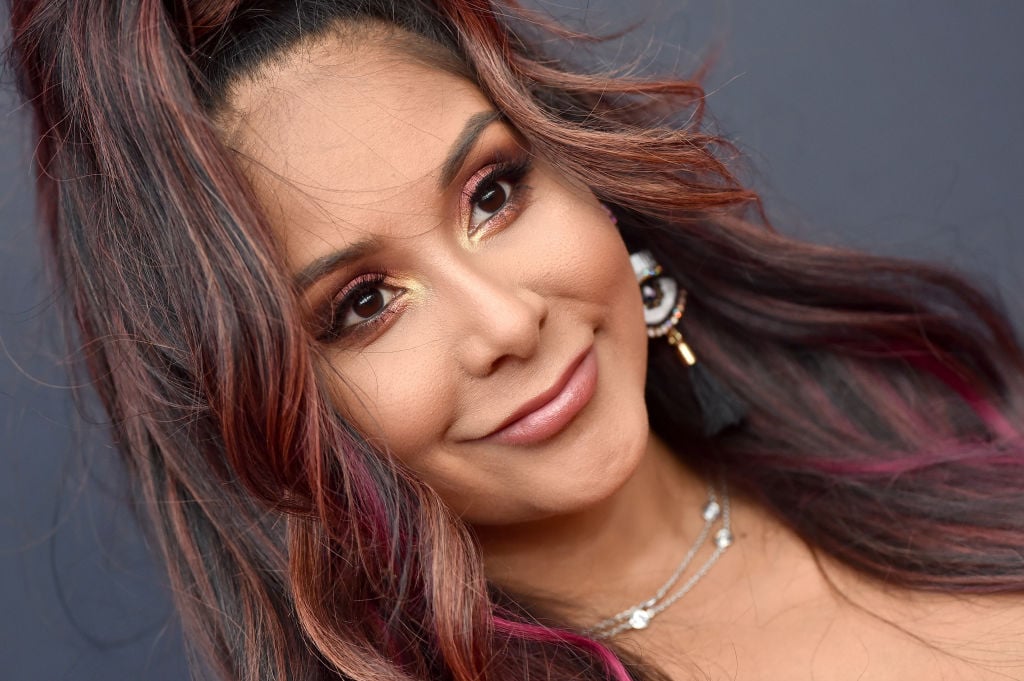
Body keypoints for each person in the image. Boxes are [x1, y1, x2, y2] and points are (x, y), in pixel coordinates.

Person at [6, 0, 1024, 679]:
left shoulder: (923, 434)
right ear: (272, 420)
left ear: (582, 170)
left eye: (493, 193)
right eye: (364, 304)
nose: (505, 322)